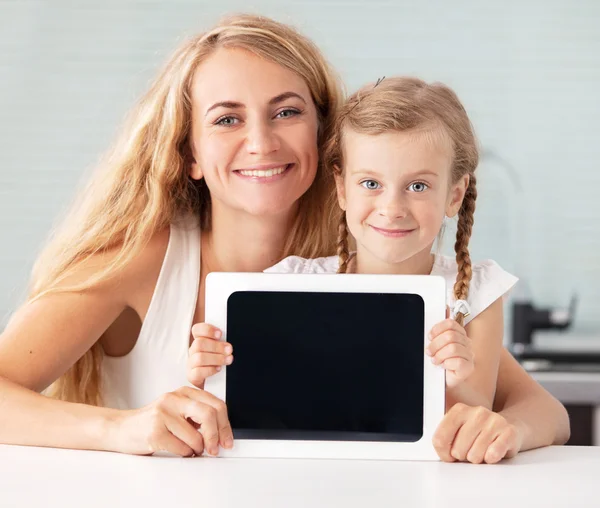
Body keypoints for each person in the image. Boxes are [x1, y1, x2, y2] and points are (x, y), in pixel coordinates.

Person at [0, 14, 568, 462]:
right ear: (189, 152)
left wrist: (507, 429)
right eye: (227, 119)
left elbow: (529, 404)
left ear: (326, 139)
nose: (261, 143)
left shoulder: (362, 257)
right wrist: (124, 429)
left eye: (286, 112)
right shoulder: (137, 259)